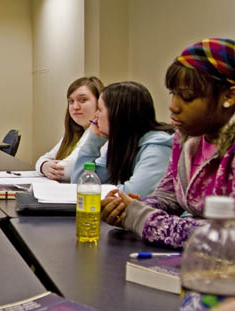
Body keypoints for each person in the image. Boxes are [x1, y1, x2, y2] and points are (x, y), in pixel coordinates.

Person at [101, 38, 235, 249]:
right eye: (174, 94)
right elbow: (168, 194)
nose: (173, 107)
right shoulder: (186, 139)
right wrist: (128, 208)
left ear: (229, 95)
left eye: (187, 97)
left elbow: (227, 237)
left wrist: (143, 218)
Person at [71, 82, 173, 196]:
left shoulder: (158, 148)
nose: (96, 115)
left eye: (99, 109)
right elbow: (80, 185)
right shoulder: (122, 144)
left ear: (117, 114)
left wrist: (96, 190)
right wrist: (93, 142)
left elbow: (133, 195)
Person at [35, 77, 104, 182]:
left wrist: (48, 166)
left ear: (99, 102)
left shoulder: (98, 134)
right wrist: (43, 166)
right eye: (71, 101)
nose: (75, 107)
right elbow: (44, 158)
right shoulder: (75, 133)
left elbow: (66, 171)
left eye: (83, 100)